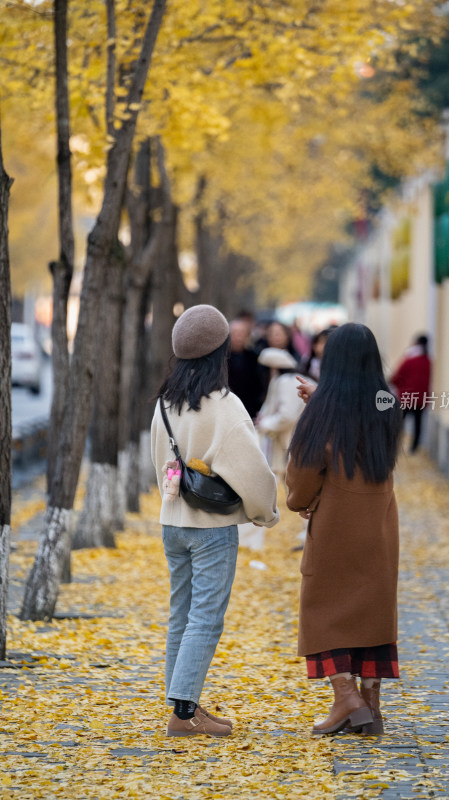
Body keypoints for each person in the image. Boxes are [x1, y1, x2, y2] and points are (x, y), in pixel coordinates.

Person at [151, 305, 279, 738]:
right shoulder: (223, 405)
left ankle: (184, 707)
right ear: (220, 351)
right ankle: (184, 715)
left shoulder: (166, 401)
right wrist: (266, 512)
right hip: (211, 528)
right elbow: (252, 469)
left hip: (173, 521)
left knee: (181, 614)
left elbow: (160, 462)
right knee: (205, 618)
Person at [285, 323, 403, 736]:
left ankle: (345, 697)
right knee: (373, 611)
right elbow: (365, 410)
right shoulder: (390, 405)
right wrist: (323, 398)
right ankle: (370, 706)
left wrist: (303, 505)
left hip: (336, 528)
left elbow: (301, 479)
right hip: (380, 530)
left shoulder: (322, 415)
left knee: (324, 611)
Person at [255, 347, 307, 484]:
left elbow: (287, 416)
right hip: (289, 444)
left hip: (292, 444)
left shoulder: (286, 381)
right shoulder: (285, 379)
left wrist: (264, 423)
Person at [389, 333, 431, 453]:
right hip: (421, 398)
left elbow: (397, 377)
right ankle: (414, 448)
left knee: (400, 422)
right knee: (418, 423)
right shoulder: (427, 360)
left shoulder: (410, 359)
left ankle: (397, 446)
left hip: (407, 396)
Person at [227, 318, 264, 418]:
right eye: (235, 333)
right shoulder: (222, 358)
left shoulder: (255, 357)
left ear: (247, 335)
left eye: (241, 333)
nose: (238, 336)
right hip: (228, 406)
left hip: (250, 408)